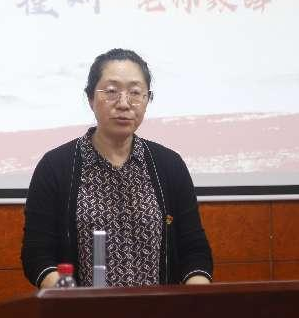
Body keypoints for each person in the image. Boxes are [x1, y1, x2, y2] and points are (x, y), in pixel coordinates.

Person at [21, 48, 213, 288]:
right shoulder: (55, 167)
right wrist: (72, 299)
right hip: (81, 310)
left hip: (159, 310)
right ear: (90, 98)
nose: (124, 104)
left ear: (147, 100)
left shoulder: (169, 165)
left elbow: (194, 251)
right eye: (111, 91)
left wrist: (195, 299)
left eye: (135, 93)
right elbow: (37, 255)